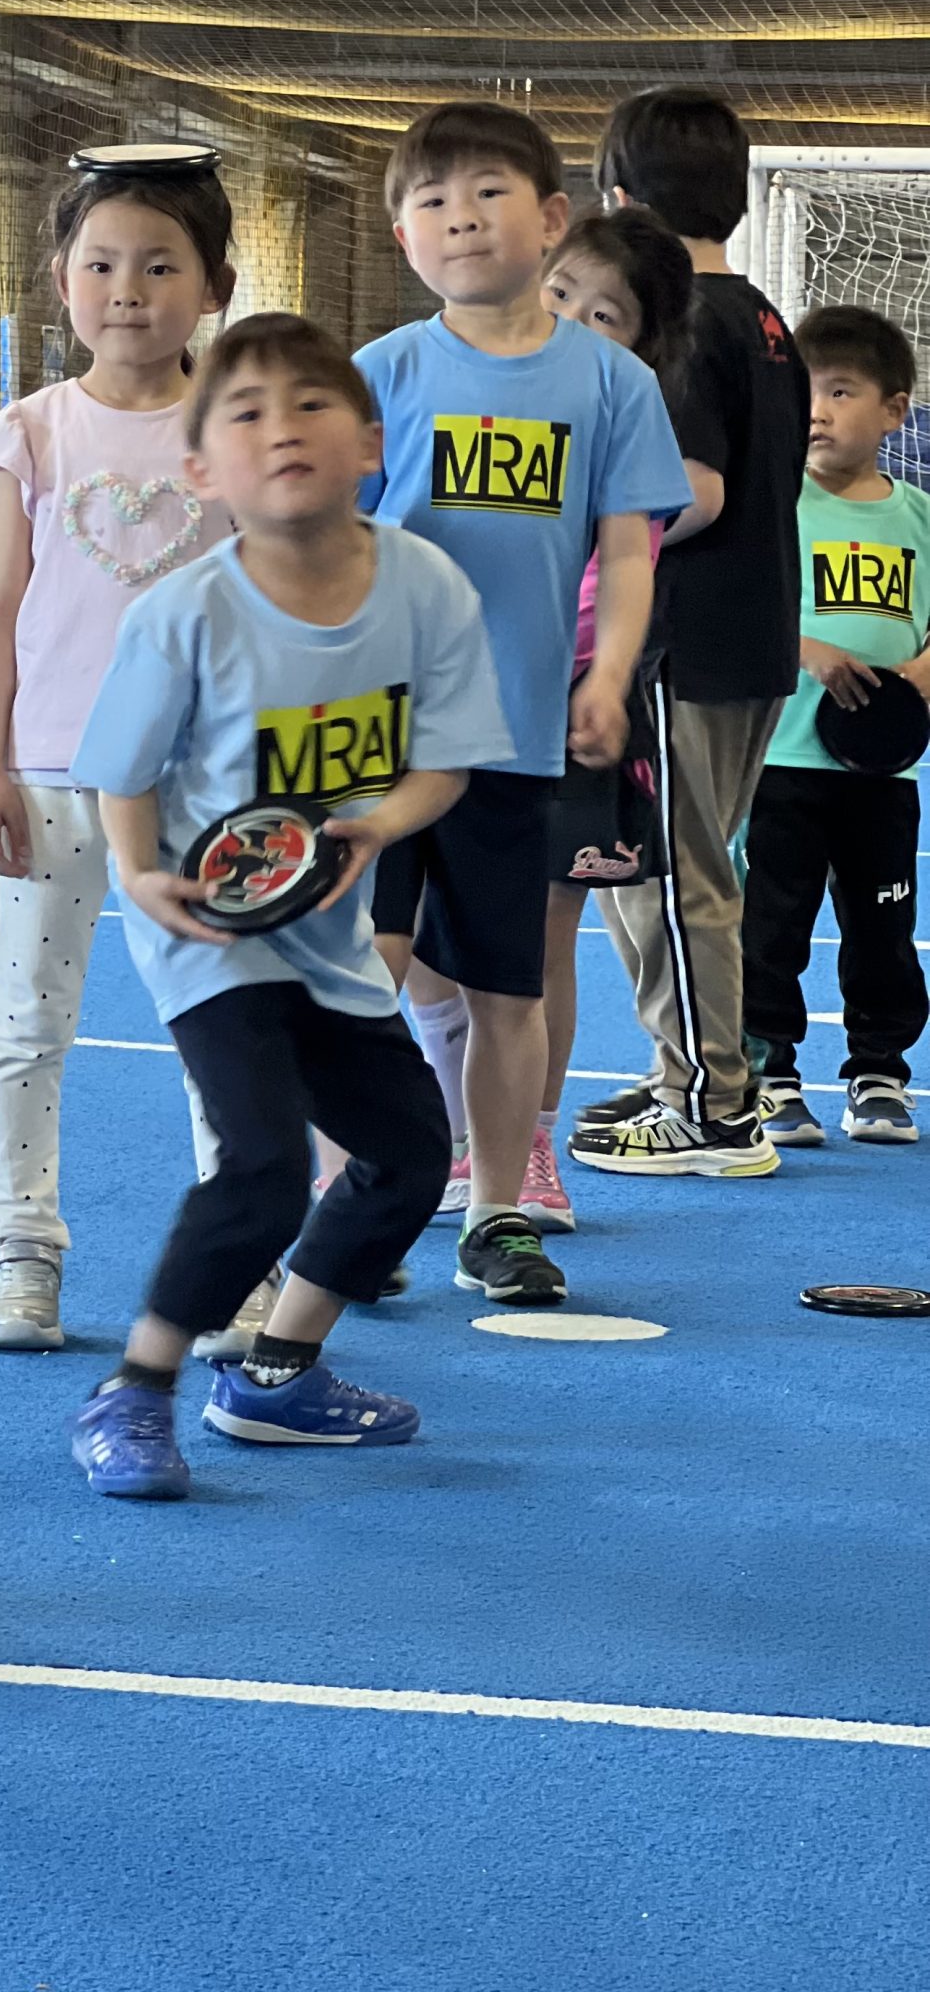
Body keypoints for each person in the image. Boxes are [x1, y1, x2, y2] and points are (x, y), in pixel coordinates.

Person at [65, 312, 511, 1498]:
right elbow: (123, 770)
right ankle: (136, 1386)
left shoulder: (423, 585)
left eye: (309, 405)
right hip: (209, 934)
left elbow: (444, 762)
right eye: (245, 413)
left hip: (328, 930)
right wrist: (137, 874)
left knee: (412, 1154)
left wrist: (373, 825)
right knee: (261, 1165)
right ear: (201, 471)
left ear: (369, 441)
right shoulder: (183, 615)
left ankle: (276, 1372)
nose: (282, 430)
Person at [354, 102, 694, 1307]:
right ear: (403, 236)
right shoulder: (377, 377)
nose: (459, 215)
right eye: (431, 199)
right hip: (377, 748)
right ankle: (357, 1209)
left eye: (485, 191)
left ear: (550, 220)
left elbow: (632, 551)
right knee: (359, 985)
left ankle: (497, 1210)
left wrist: (604, 680)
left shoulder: (608, 385)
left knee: (509, 987)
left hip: (516, 737)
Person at [0, 144, 239, 1353]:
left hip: (202, 785)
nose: (128, 288)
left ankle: (236, 1258)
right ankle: (18, 1243)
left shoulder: (233, 427)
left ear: (213, 284)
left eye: (160, 264)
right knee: (25, 1022)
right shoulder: (29, 433)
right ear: (59, 281)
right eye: (102, 263)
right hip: (52, 779)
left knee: (225, 1026)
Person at [570, 88, 812, 1177]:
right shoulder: (761, 316)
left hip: (685, 638)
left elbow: (696, 490)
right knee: (654, 870)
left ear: (617, 199)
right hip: (749, 630)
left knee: (669, 875)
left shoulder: (676, 325)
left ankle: (712, 1103)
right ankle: (689, 1068)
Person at [530, 209, 711, 1223]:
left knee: (542, 936)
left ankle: (527, 1146)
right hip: (449, 703)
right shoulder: (448, 390)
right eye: (560, 297)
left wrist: (592, 679)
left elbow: (623, 571)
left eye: (603, 314)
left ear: (639, 345)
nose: (572, 322)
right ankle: (438, 1137)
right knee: (417, 942)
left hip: (570, 712)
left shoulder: (623, 429)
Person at [741, 305, 930, 1147]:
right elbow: (737, 607)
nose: (816, 411)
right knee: (769, 926)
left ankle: (879, 1072)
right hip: (779, 761)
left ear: (895, 410)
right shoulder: (770, 506)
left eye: (841, 392)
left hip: (879, 772)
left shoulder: (918, 518)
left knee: (884, 928)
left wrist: (919, 676)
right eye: (805, 393)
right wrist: (809, 650)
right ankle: (771, 1072)